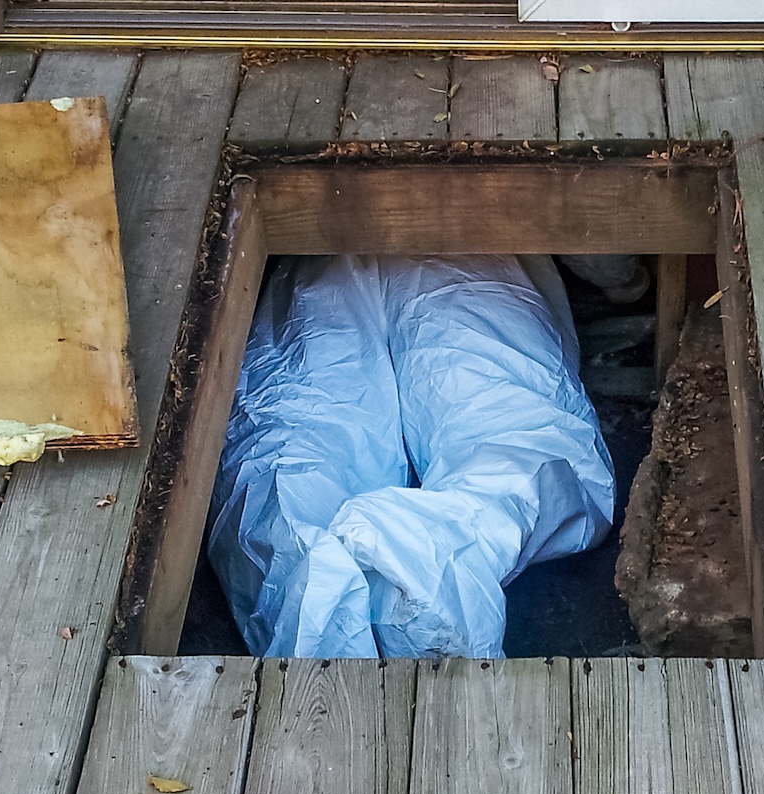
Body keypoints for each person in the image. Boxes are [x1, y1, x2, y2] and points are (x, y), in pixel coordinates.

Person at [206, 253, 614, 658]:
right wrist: (624, 279)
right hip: (470, 254)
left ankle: (326, 617)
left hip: (324, 260)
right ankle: (424, 571)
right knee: (513, 439)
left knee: (290, 453)